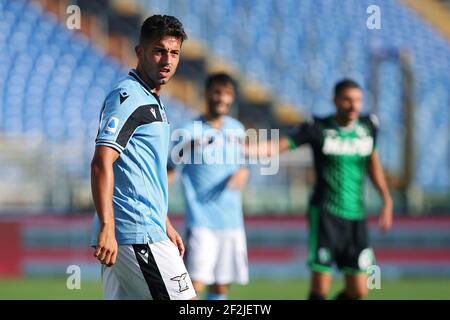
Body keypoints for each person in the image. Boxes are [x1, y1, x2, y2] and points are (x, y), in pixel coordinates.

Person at [246, 79, 393, 300]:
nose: (353, 106)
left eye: (358, 100)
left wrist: (386, 199)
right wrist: (241, 149)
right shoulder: (317, 127)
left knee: (360, 290)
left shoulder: (369, 126)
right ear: (335, 100)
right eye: (347, 100)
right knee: (320, 289)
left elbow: (373, 163)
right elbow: (277, 147)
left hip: (356, 217)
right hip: (326, 215)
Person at [90, 15, 196, 300]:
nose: (167, 60)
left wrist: (165, 223)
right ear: (140, 52)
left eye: (174, 53)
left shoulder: (152, 100)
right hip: (135, 232)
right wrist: (107, 227)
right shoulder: (128, 96)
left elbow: (143, 174)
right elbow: (102, 162)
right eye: (159, 51)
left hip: (144, 229)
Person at [167, 73, 249, 300]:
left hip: (231, 221)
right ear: (206, 94)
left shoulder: (237, 129)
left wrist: (243, 172)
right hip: (201, 221)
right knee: (193, 286)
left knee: (221, 287)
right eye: (217, 92)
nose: (222, 98)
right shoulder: (189, 130)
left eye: (227, 94)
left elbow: (243, 164)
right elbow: (170, 169)